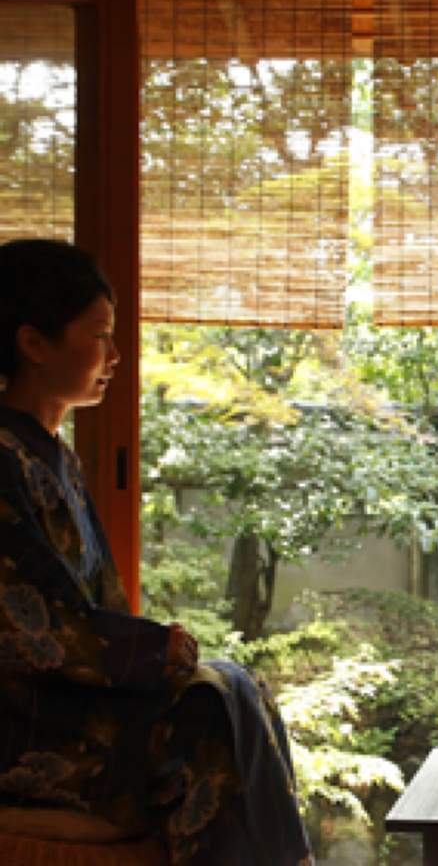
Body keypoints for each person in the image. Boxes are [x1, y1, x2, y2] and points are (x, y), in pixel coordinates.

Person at [0, 238, 313, 864]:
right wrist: (149, 649)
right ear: (34, 343)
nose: (116, 355)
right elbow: (22, 623)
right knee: (206, 712)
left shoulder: (56, 456)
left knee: (231, 686)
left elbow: (98, 603)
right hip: (23, 723)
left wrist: (155, 651)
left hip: (72, 703)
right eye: (99, 335)